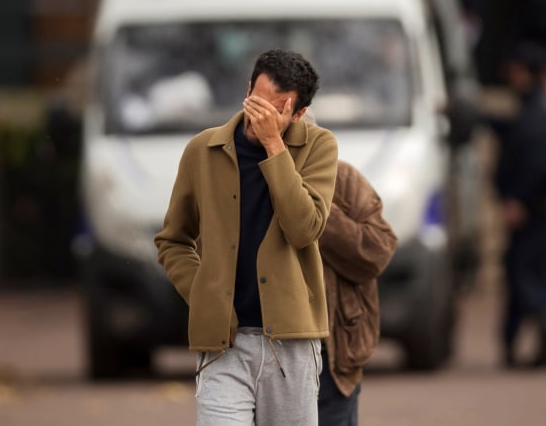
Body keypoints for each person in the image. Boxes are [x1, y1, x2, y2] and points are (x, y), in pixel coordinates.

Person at [154, 49, 338, 425]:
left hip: (292, 345)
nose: (261, 117)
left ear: (298, 113)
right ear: (247, 88)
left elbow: (304, 228)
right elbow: (173, 239)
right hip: (224, 345)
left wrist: (275, 147)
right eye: (256, 102)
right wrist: (203, 291)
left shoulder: (319, 147)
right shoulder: (202, 151)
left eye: (276, 111)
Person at [494, 45, 546, 368]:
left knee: (528, 276)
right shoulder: (542, 113)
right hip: (541, 209)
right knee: (527, 275)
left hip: (542, 210)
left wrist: (520, 200)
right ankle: (525, 342)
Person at [317, 157, 398, 425]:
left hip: (332, 348)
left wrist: (313, 208)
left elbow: (379, 249)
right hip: (260, 348)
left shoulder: (342, 177)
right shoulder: (240, 174)